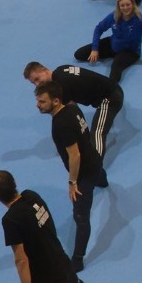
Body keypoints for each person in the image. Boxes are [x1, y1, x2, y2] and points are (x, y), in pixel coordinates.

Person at [34, 82, 103, 272]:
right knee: (99, 174)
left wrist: (73, 182)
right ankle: (103, 181)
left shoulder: (61, 124)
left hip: (84, 174)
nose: (38, 105)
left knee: (81, 217)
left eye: (42, 101)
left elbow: (75, 156)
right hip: (95, 159)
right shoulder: (73, 108)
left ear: (56, 101)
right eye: (38, 100)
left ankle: (78, 258)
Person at [24, 62, 125, 159]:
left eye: (37, 79)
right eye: (33, 82)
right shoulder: (60, 70)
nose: (37, 84)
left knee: (97, 133)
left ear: (44, 70)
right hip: (110, 89)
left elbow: (74, 112)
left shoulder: (61, 85)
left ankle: (96, 164)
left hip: (110, 98)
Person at [74, 0, 142, 83]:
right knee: (79, 54)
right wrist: (94, 49)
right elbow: (98, 29)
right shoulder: (113, 16)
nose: (125, 8)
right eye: (122, 5)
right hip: (112, 45)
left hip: (130, 52)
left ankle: (108, 88)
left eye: (128, 5)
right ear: (118, 6)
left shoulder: (140, 21)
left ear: (133, 4)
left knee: (116, 68)